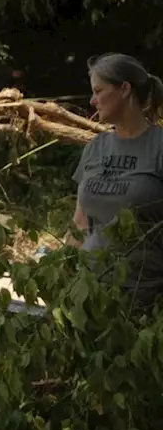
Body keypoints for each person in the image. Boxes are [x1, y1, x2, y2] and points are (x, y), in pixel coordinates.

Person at [72, 53, 163, 307]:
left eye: (98, 91)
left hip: (146, 297)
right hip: (90, 292)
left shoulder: (159, 147)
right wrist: (64, 277)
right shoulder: (95, 147)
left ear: (124, 89)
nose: (92, 101)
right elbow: (79, 224)